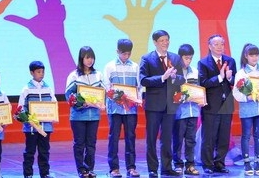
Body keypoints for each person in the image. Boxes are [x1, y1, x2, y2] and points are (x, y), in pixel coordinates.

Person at [140, 30, 185, 178]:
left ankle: (166, 167)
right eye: (162, 40)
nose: (165, 43)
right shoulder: (147, 58)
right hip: (154, 105)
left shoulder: (175, 58)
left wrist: (174, 77)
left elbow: (182, 79)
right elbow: (143, 80)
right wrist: (162, 77)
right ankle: (152, 168)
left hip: (170, 104)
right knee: (151, 138)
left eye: (167, 40)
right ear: (155, 42)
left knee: (167, 138)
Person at [198, 34, 237, 174]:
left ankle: (220, 163)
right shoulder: (203, 63)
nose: (220, 47)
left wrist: (230, 78)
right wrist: (220, 77)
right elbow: (203, 83)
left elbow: (236, 82)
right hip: (211, 105)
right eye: (216, 44)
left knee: (224, 137)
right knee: (209, 137)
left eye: (222, 44)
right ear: (209, 46)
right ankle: (207, 165)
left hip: (226, 104)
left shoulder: (230, 61)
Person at [65, 46, 105, 178]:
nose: (90, 60)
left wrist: (101, 102)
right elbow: (68, 95)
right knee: (79, 144)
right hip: (78, 117)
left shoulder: (98, 74)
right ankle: (81, 170)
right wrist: (81, 102)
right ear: (81, 58)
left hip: (94, 116)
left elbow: (103, 92)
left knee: (91, 144)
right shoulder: (74, 75)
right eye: (87, 58)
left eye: (92, 57)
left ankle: (90, 169)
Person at [103, 39, 141, 178]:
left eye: (128, 53)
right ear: (117, 51)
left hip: (130, 109)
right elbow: (106, 86)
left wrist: (137, 99)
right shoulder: (110, 66)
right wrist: (117, 96)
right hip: (115, 108)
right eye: (123, 53)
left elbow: (139, 86)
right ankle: (114, 168)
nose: (126, 56)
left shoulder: (135, 67)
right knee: (114, 137)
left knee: (130, 137)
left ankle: (131, 167)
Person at [233, 44, 259, 176]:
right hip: (247, 109)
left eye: (256, 55)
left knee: (258, 135)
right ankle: (247, 162)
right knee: (246, 135)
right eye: (251, 55)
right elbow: (236, 93)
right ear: (246, 56)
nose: (254, 58)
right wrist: (247, 97)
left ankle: (257, 162)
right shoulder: (241, 73)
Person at [19, 61, 55, 178]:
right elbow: (21, 108)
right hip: (31, 128)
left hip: (45, 127)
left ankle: (45, 173)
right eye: (38, 72)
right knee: (30, 151)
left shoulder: (48, 88)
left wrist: (53, 115)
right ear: (32, 73)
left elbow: (53, 103)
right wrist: (28, 119)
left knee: (44, 151)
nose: (41, 74)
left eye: (43, 72)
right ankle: (28, 174)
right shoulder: (26, 89)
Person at [172, 44, 202, 176]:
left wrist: (200, 97)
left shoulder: (195, 71)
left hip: (193, 111)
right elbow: (171, 91)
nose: (188, 61)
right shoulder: (174, 72)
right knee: (178, 139)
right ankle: (177, 164)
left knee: (191, 140)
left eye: (190, 58)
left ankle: (190, 164)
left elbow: (199, 88)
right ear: (180, 57)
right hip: (179, 112)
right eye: (186, 58)